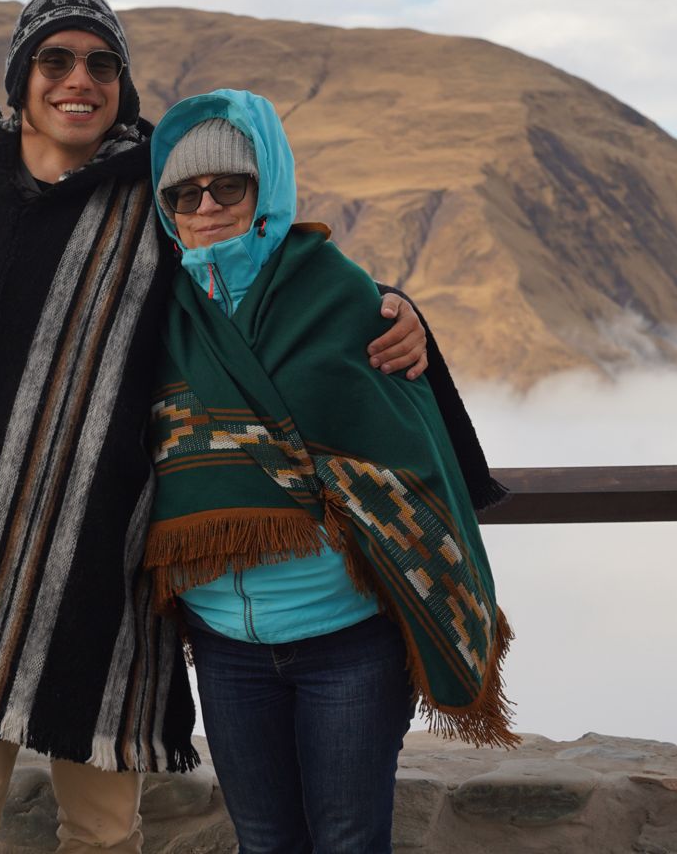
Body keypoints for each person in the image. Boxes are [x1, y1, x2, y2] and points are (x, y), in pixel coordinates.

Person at [0, 0, 432, 854]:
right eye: (56, 59)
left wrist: (395, 308)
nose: (80, 79)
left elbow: (270, 277)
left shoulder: (157, 201)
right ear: (20, 76)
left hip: (110, 574)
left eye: (101, 63)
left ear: (123, 83)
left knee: (106, 831)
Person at [141, 88, 519, 854]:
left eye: (228, 186)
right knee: (263, 840)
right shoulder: (151, 314)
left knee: (349, 839)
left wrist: (408, 315)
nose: (206, 205)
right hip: (224, 643)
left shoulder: (344, 298)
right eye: (184, 192)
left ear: (267, 189)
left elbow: (407, 447)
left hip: (347, 640)